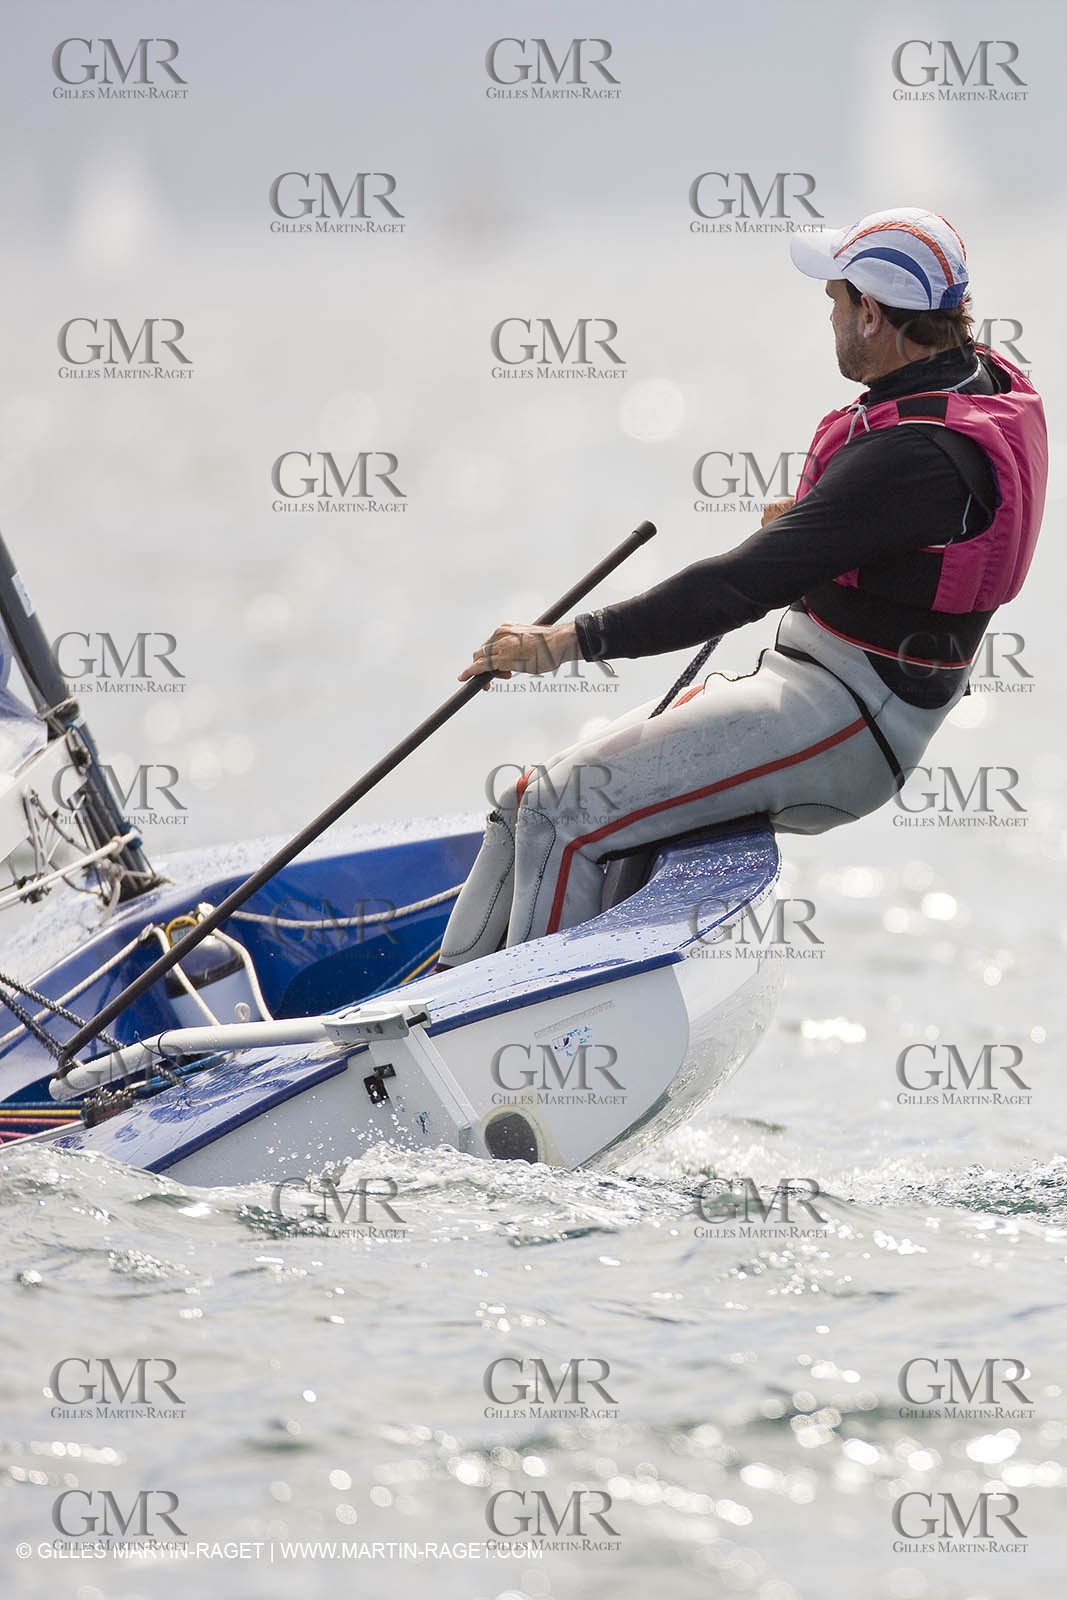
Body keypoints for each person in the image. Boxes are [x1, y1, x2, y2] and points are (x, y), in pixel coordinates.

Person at [438, 206, 1047, 968]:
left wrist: (565, 641)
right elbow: (911, 534)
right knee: (525, 800)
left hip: (850, 722)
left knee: (567, 810)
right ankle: (444, 989)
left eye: (834, 302)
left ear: (871, 312)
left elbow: (738, 585)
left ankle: (511, 1038)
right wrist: (829, 524)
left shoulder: (917, 455)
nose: (827, 318)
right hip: (813, 686)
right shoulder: (969, 378)